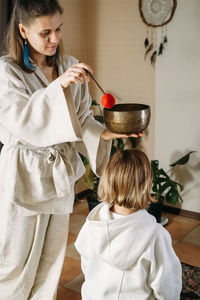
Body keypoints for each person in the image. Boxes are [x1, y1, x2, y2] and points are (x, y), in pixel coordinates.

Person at [0, 0, 143, 299]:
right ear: (23, 31)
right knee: (14, 262)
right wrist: (58, 87)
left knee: (51, 260)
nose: (54, 39)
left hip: (58, 176)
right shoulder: (7, 71)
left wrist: (107, 133)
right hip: (25, 173)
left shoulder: (68, 65)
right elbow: (22, 121)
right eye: (46, 32)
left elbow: (81, 120)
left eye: (59, 29)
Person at [75, 149, 182, 300]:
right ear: (145, 185)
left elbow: (87, 268)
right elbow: (166, 284)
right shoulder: (155, 235)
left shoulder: (92, 225)